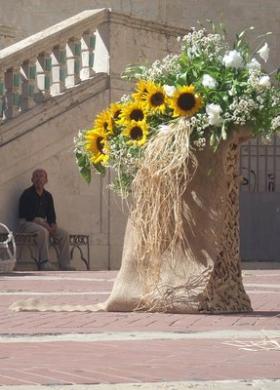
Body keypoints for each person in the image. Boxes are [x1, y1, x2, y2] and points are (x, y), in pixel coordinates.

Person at [18, 169, 76, 271]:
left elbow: (51, 214)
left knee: (63, 234)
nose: (39, 179)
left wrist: (53, 224)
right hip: (27, 223)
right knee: (43, 231)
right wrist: (45, 225)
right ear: (32, 179)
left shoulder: (48, 196)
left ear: (46, 180)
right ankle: (44, 262)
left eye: (41, 176)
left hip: (43, 223)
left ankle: (65, 264)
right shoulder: (27, 194)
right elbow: (27, 215)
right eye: (36, 176)